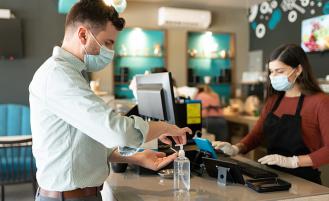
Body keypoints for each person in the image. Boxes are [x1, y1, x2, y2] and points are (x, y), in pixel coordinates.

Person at [29, 1, 191, 201]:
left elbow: (84, 142)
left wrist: (136, 157)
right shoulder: (58, 76)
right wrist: (164, 127)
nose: (110, 52)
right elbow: (117, 131)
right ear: (83, 35)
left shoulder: (69, 74)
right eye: (107, 43)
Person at [212, 44, 329, 184]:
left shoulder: (320, 102)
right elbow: (256, 135)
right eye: (271, 71)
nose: (273, 76)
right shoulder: (274, 100)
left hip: (304, 180)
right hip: (272, 177)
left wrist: (293, 161)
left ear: (298, 69)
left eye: (279, 71)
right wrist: (236, 148)